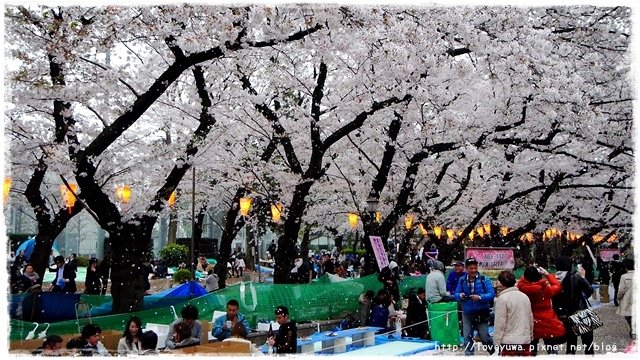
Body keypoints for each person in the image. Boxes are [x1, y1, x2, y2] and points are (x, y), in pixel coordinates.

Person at [517, 265, 565, 355]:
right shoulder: (545, 289)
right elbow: (557, 286)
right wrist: (547, 274)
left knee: (532, 348)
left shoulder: (521, 289)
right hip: (547, 320)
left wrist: (524, 278)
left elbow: (521, 282)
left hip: (530, 320)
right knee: (551, 347)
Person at [554, 255, 594, 355]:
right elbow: (590, 290)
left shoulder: (555, 278)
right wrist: (583, 277)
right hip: (581, 311)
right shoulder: (576, 276)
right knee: (588, 343)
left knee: (571, 343)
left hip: (565, 314)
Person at [454, 257, 495, 356]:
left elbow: (491, 294)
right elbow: (456, 293)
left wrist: (480, 297)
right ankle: (469, 355)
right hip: (467, 312)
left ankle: (493, 352)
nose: (473, 270)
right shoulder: (462, 280)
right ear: (466, 269)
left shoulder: (485, 279)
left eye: (475, 268)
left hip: (481, 312)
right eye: (471, 268)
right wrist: (460, 296)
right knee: (467, 336)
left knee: (484, 336)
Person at [493, 270, 534, 356]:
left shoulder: (502, 299)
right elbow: (530, 318)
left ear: (501, 283)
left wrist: (496, 343)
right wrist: (530, 335)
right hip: (525, 340)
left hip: (509, 342)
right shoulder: (524, 296)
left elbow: (500, 324)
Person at [616, 258, 635, 339]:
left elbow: (621, 290)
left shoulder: (624, 277)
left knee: (628, 315)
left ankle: (633, 328)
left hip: (628, 298)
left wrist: (618, 297)